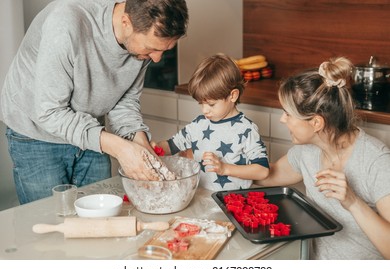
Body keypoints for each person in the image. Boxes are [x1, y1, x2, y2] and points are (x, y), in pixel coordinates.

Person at [0, 0, 188, 204]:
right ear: (126, 22)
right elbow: (50, 112)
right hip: (36, 132)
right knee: (50, 219)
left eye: (164, 50)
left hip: (88, 126)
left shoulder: (141, 45)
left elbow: (124, 99)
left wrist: (138, 142)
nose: (157, 58)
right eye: (152, 48)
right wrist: (120, 148)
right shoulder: (66, 24)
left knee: (99, 218)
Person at [255, 57, 390, 260]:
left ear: (316, 122)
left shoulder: (375, 160)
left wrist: (353, 202)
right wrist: (224, 165)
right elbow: (269, 175)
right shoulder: (307, 150)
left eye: (288, 114)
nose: (282, 119)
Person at [153, 53, 270, 191]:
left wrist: (225, 168)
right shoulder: (198, 124)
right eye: (201, 104)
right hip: (201, 195)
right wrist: (155, 148)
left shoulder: (246, 129)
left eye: (211, 104)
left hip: (232, 200)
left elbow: (262, 171)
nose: (205, 110)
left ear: (233, 95)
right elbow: (171, 145)